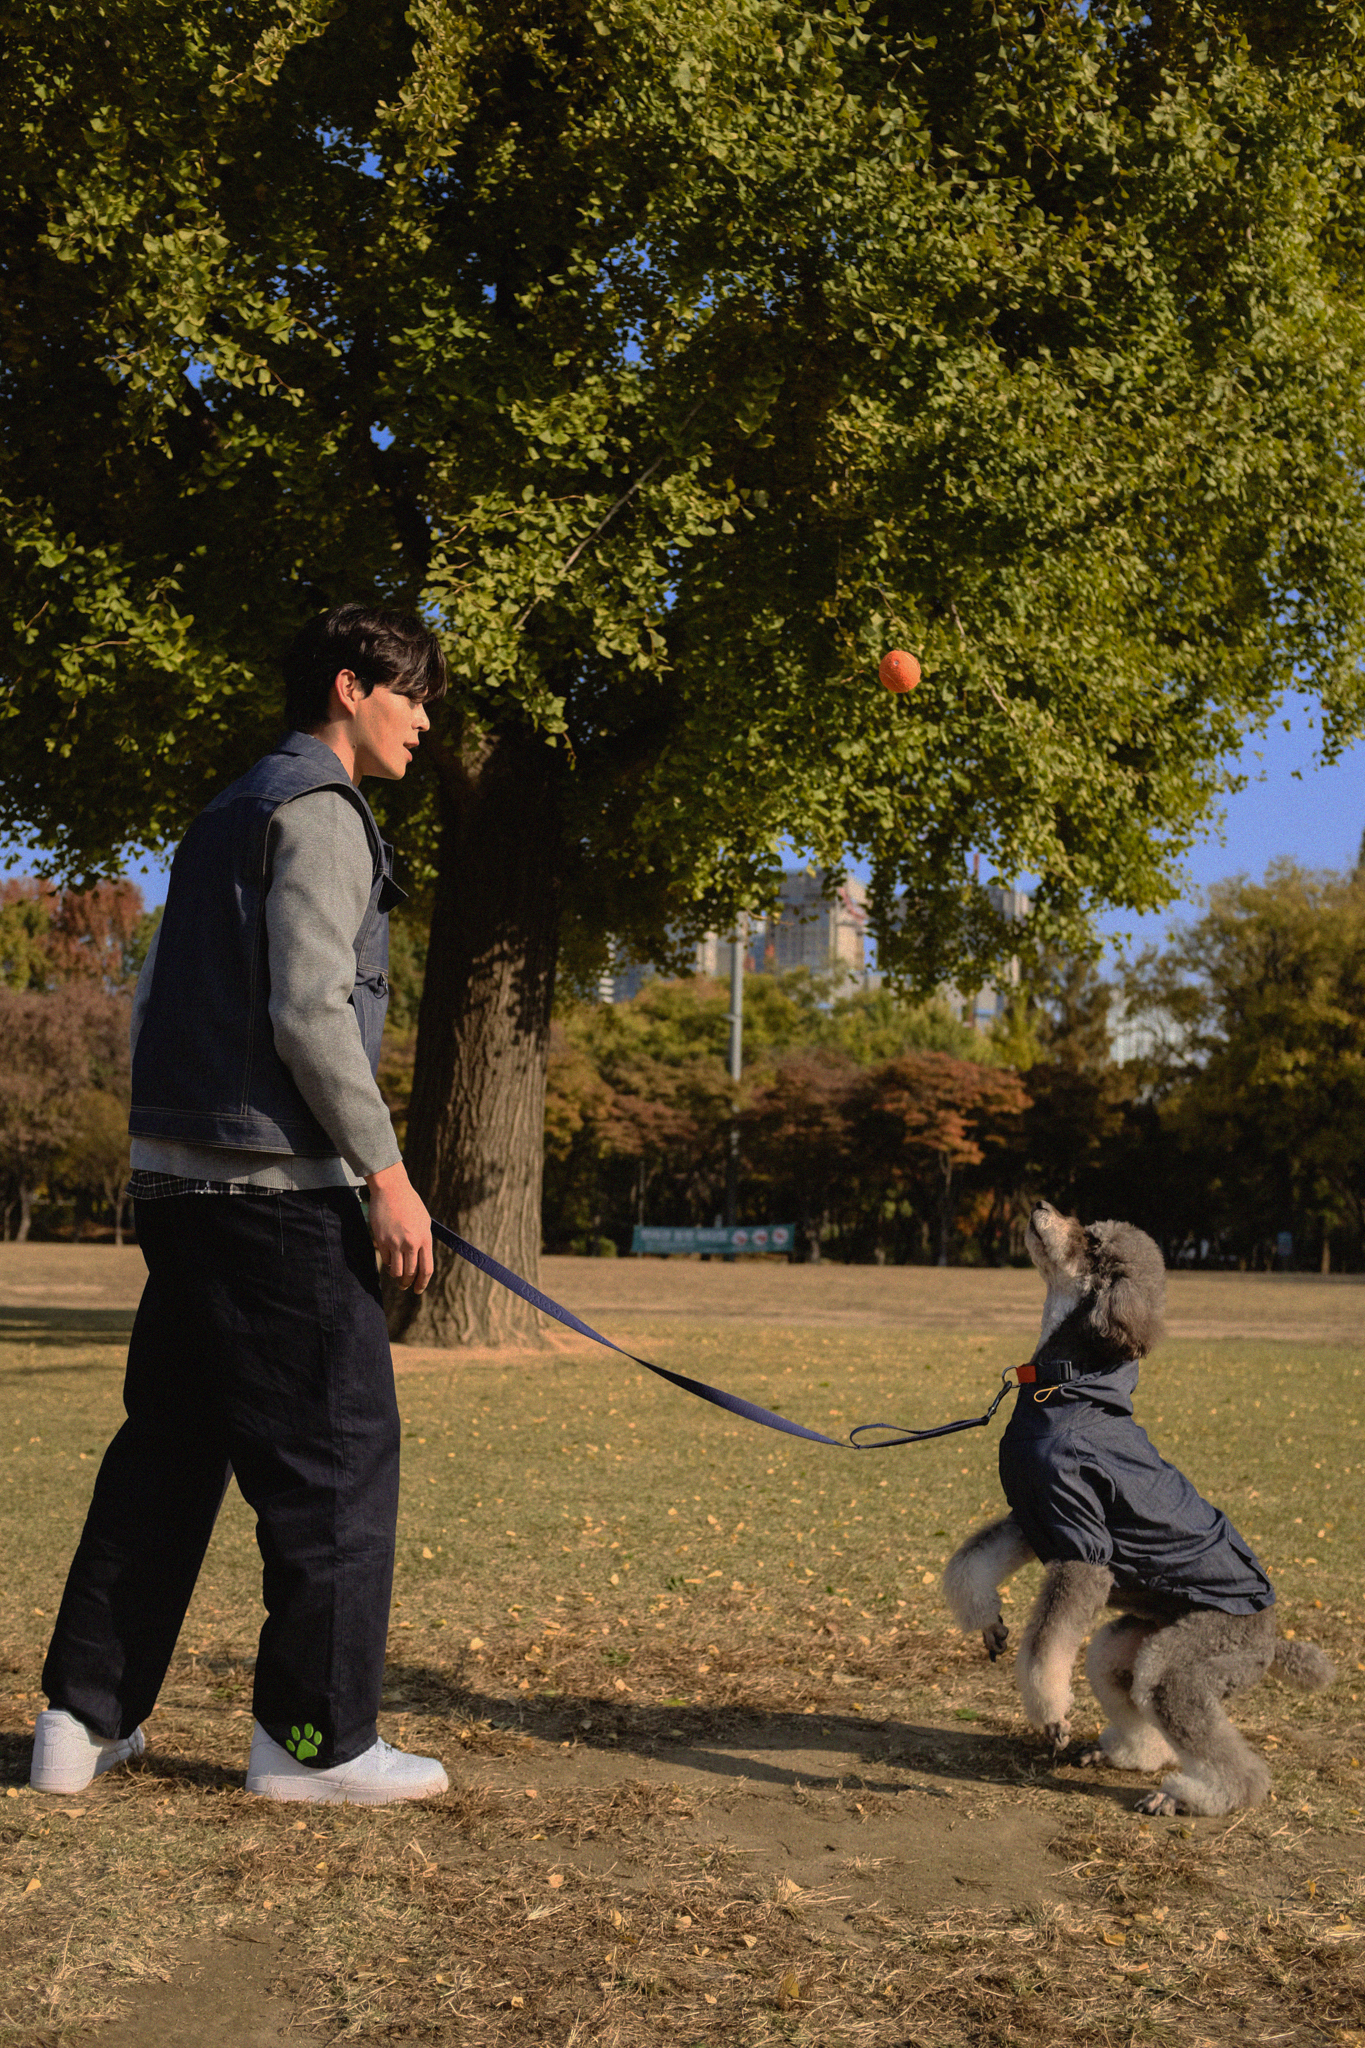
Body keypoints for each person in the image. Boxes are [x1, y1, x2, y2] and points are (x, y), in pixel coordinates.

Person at [32, 605, 450, 1805]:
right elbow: (313, 1010)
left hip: (180, 1190)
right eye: (411, 694)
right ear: (349, 688)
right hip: (277, 1202)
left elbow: (150, 998)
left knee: (168, 1450)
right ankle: (315, 1743)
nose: (424, 720)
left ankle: (80, 1720)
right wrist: (388, 1175)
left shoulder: (223, 810)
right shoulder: (321, 811)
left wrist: (165, 1149)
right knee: (338, 1460)